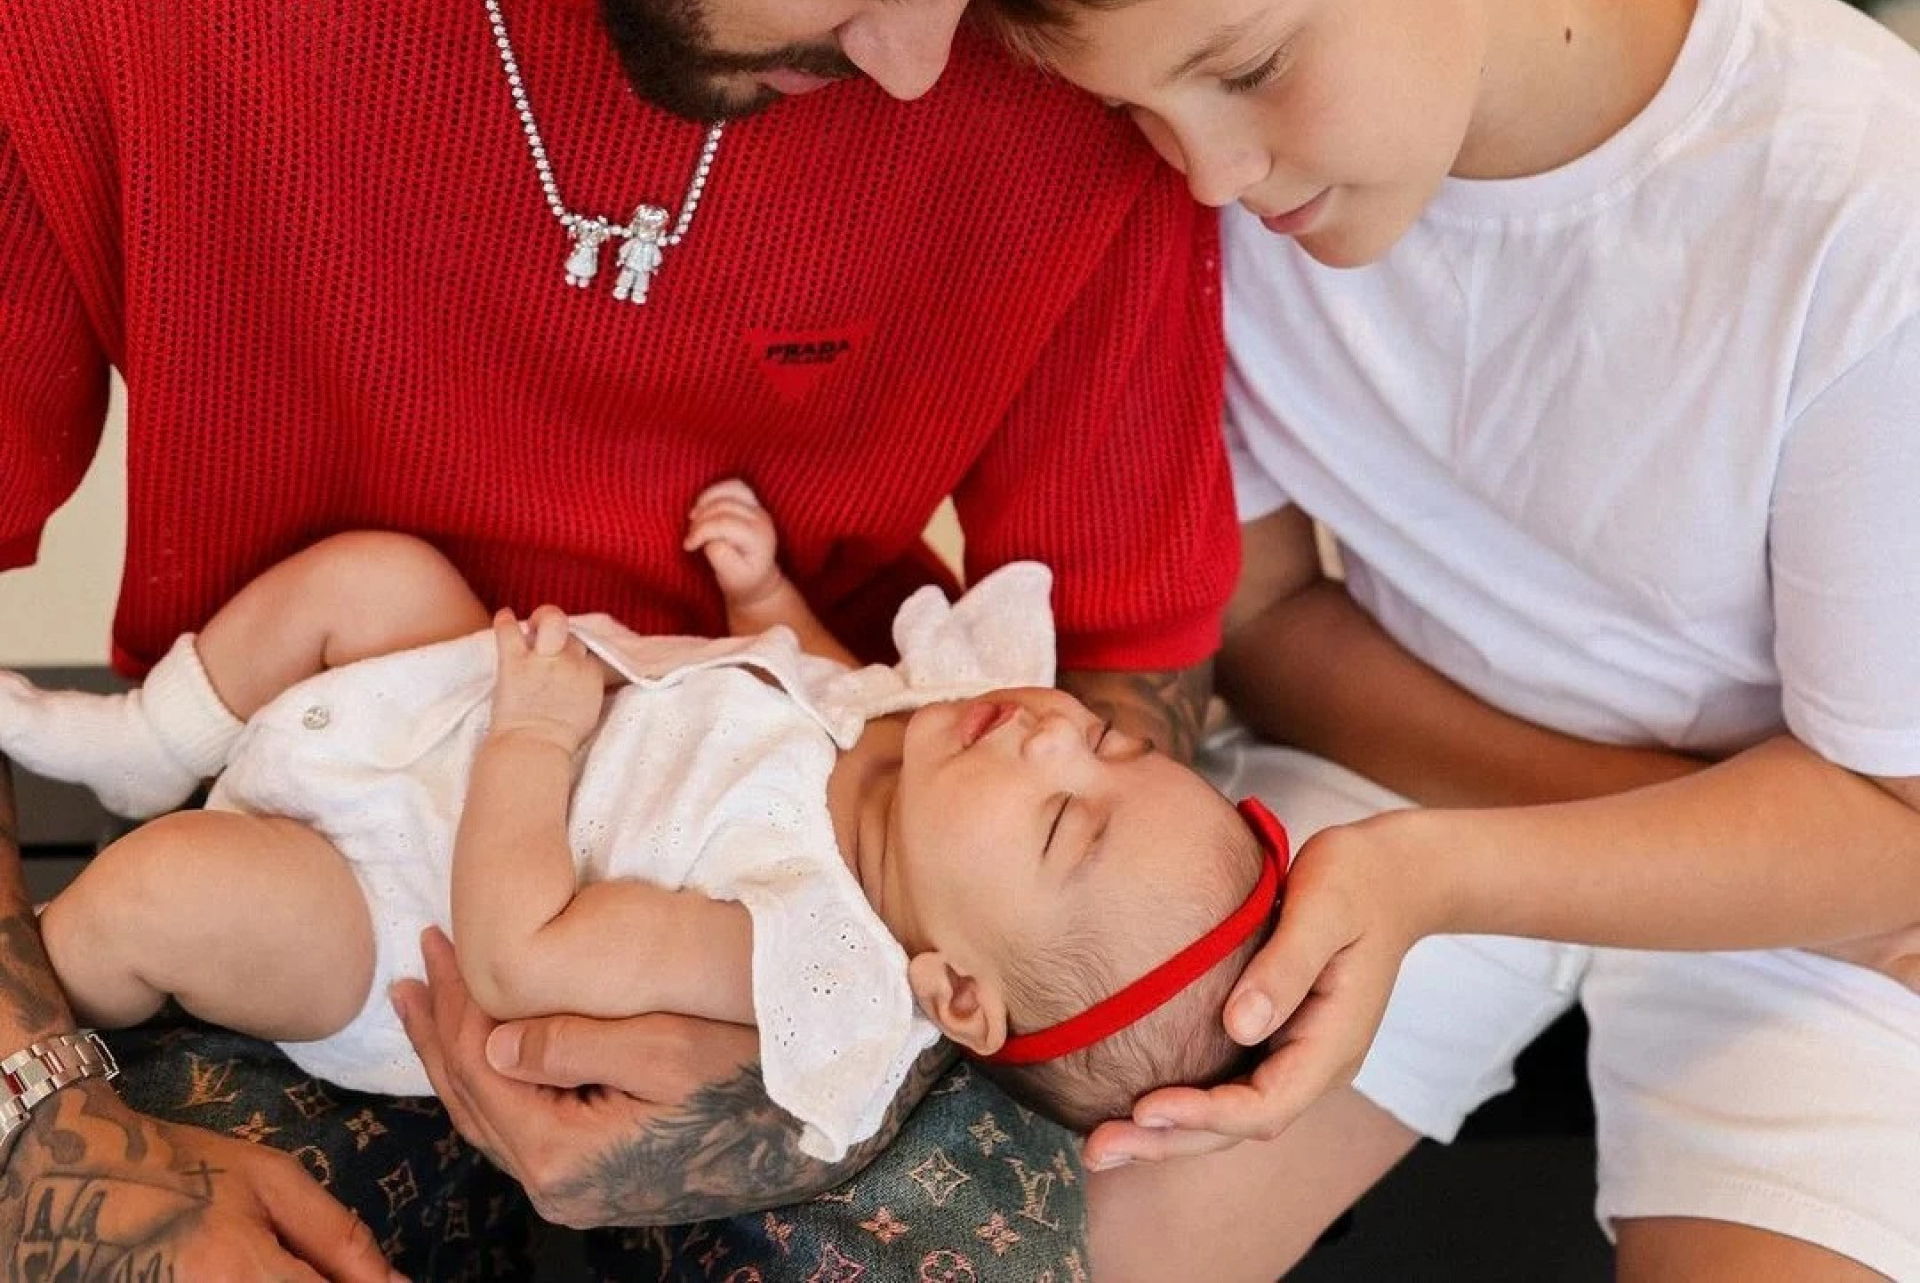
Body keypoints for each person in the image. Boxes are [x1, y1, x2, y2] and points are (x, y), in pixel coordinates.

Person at [0, 0, 1238, 1281]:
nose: (934, 61)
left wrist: (800, 1036)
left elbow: (1128, 670)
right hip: (301, 885)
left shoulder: (1052, 48)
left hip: (812, 949)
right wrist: (38, 1115)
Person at [991, 0, 1920, 1283]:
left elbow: (1889, 824)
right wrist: (1500, 845)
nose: (1205, 177)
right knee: (1074, 1252)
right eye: (1140, 108)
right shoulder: (1216, 168)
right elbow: (1260, 617)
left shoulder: (1858, 213)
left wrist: (1480, 863)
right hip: (1416, 781)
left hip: (1800, 888)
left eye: (1250, 67)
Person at [1, 484, 1283, 1154]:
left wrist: (536, 736)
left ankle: (62, 970)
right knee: (375, 574)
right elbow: (820, 675)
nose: (1056, 734)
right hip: (456, 705)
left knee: (170, 887)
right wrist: (765, 595)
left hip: (393, 906)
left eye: (1059, 821)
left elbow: (523, 956)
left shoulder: (797, 943)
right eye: (1109, 740)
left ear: (953, 988)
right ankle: (148, 743)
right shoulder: (923, 730)